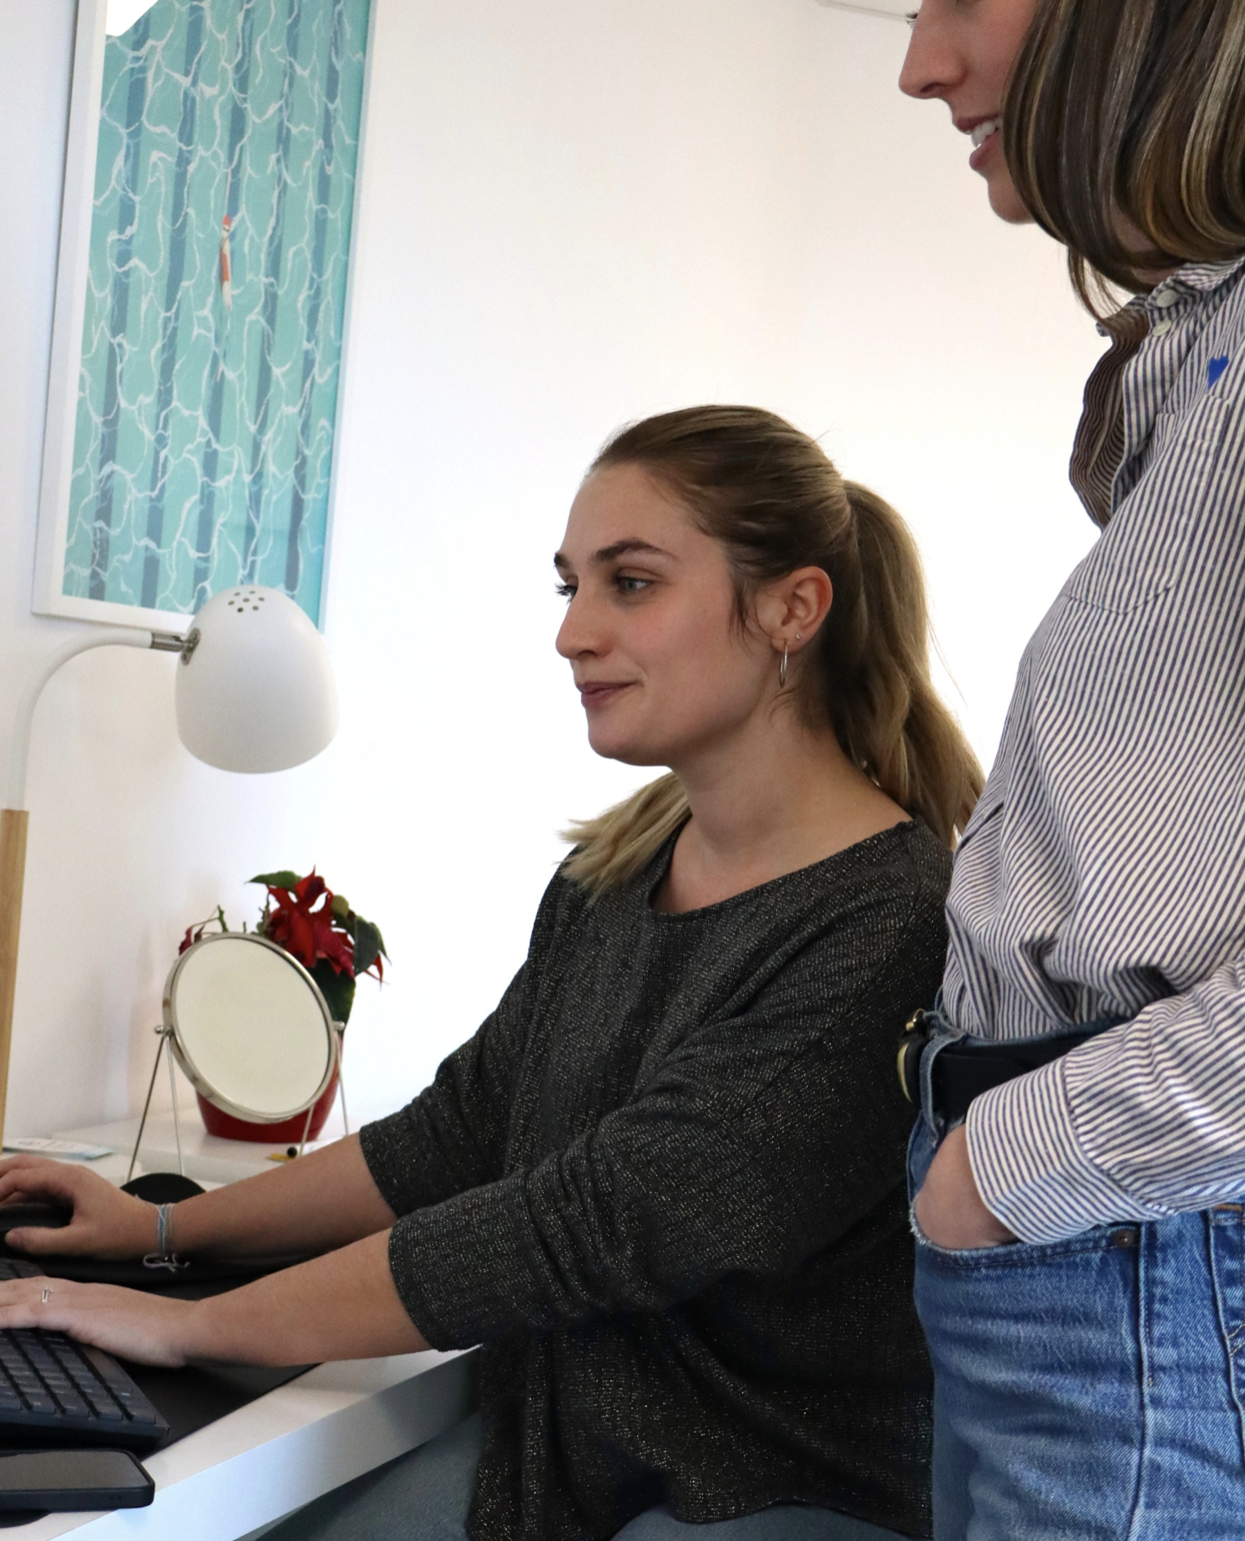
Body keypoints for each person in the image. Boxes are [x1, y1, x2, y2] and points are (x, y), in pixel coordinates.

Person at [0, 408, 980, 1540]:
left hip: (760, 1477)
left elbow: (578, 1227)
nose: (572, 632)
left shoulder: (888, 920)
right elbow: (460, 1131)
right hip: (563, 1444)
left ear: (791, 609)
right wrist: (162, 1233)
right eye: (570, 585)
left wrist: (183, 1327)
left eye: (629, 583)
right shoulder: (615, 872)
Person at [899, 0, 1245, 1537]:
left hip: (1125, 1258)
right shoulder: (1199, 350)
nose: (920, 61)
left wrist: (1007, 1164)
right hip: (1089, 1255)